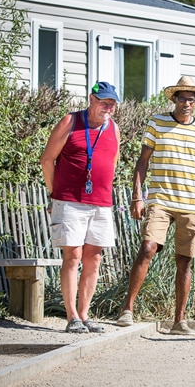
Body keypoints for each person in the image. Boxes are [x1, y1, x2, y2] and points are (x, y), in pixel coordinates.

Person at [116, 76, 195, 334]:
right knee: (148, 247)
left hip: (191, 203)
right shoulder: (157, 123)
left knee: (185, 260)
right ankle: (127, 309)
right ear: (174, 100)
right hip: (160, 199)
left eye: (191, 100)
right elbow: (142, 161)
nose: (186, 104)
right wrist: (137, 196)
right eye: (182, 98)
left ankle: (178, 321)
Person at [40, 81, 121, 333]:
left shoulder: (114, 128)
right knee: (72, 257)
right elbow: (47, 160)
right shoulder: (70, 121)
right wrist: (55, 195)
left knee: (94, 259)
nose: (107, 107)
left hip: (101, 204)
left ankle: (85, 315)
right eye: (103, 101)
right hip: (69, 201)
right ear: (91, 99)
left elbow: (113, 163)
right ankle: (72, 316)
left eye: (112, 103)